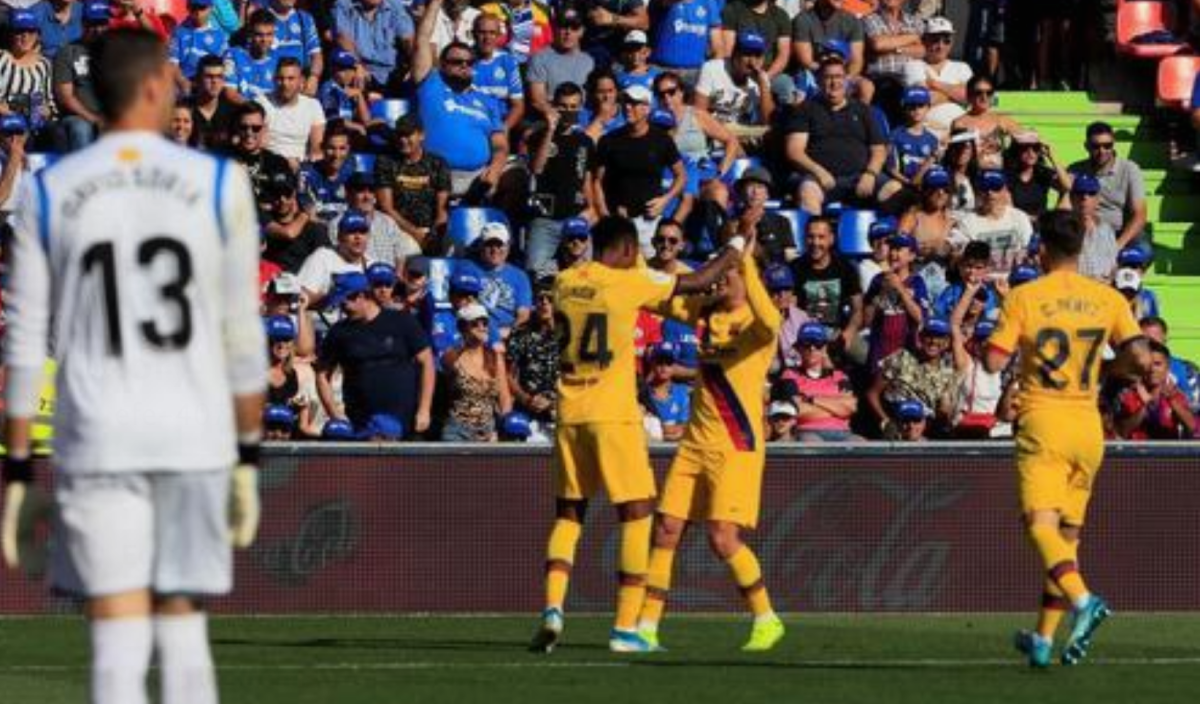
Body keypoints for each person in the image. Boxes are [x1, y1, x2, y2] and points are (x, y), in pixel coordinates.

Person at [1, 28, 266, 704]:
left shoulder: (49, 186)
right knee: (182, 629)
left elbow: (25, 339)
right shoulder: (217, 181)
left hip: (99, 435)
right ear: (153, 87)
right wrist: (248, 459)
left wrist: (20, 468)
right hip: (193, 433)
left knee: (115, 638)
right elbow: (242, 337)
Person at [530, 214, 742, 654]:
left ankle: (552, 609)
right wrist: (738, 244)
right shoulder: (627, 282)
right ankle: (626, 628)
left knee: (569, 515)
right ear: (626, 249)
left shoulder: (564, 281)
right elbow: (699, 277)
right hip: (612, 414)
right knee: (637, 513)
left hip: (568, 412)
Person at [985, 210, 1150, 668]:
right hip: (1088, 427)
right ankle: (1042, 639)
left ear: (1041, 249)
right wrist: (1105, 369)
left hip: (1044, 422)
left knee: (1039, 526)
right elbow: (1139, 357)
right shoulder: (1108, 298)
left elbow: (995, 362)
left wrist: (995, 338)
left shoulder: (1024, 297)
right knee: (1067, 541)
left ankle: (1083, 601)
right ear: (1080, 248)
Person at [636, 241, 785, 652]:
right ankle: (647, 626)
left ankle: (766, 618)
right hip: (694, 442)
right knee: (666, 529)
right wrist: (634, 268)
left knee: (722, 537)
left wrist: (747, 263)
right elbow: (663, 303)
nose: (719, 278)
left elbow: (773, 324)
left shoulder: (756, 323)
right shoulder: (704, 314)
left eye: (728, 273)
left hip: (736, 445)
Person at [316, 271, 436, 435]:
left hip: (406, 421)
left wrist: (424, 409)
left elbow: (427, 361)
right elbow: (322, 374)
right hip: (361, 424)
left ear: (361, 295)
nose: (342, 308)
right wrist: (335, 415)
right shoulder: (338, 332)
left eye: (344, 302)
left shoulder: (402, 321)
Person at [412, 0, 509, 200]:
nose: (464, 65)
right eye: (457, 62)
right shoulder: (431, 85)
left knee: (518, 175)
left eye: (469, 62)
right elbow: (422, 39)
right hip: (435, 175)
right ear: (443, 65)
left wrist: (496, 168)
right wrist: (435, 4)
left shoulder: (487, 101)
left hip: (477, 178)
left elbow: (500, 144)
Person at [786, 55, 891, 215]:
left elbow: (879, 150)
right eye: (828, 77)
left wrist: (870, 174)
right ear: (819, 81)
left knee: (895, 192)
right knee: (808, 193)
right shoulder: (805, 109)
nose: (834, 83)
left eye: (838, 77)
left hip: (860, 177)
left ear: (846, 79)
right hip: (819, 178)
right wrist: (819, 172)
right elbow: (794, 151)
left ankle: (886, 238)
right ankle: (817, 238)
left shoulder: (863, 110)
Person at [593, 84, 686, 255]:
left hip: (649, 222)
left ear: (646, 109)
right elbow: (597, 181)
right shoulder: (608, 141)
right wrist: (605, 215)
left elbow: (681, 175)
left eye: (634, 103)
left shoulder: (662, 140)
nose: (628, 107)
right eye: (625, 102)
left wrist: (665, 200)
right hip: (618, 220)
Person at [526, 81, 596, 272]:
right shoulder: (538, 135)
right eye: (563, 106)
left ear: (580, 108)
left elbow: (586, 177)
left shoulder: (585, 141)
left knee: (585, 271)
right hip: (544, 217)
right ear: (554, 106)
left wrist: (591, 207)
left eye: (573, 107)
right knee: (535, 268)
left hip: (574, 217)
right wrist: (550, 129)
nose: (568, 111)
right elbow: (537, 168)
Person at [374, 114, 451, 253]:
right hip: (398, 229)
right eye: (400, 135)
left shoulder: (438, 163)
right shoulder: (385, 162)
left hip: (430, 230)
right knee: (409, 249)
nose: (403, 140)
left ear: (421, 135)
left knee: (452, 248)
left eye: (408, 135)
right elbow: (387, 208)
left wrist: (434, 236)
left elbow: (442, 210)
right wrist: (415, 233)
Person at [1067, 121, 1149, 252]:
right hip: (1086, 231)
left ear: (1113, 145)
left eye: (1107, 145)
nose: (1102, 151)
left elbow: (1140, 214)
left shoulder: (1129, 169)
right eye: (1096, 146)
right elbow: (1065, 205)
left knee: (1144, 250)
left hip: (1119, 232)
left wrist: (1117, 246)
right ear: (1086, 146)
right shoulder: (1075, 170)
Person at [789, 215, 863, 353]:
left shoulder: (845, 268)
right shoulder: (795, 269)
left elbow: (858, 309)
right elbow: (790, 310)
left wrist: (849, 332)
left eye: (821, 237)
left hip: (836, 332)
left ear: (831, 239)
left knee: (865, 356)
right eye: (811, 237)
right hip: (804, 333)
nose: (815, 243)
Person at [440, 303, 513, 441]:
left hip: (489, 432)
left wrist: (501, 429)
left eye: (485, 323)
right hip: (457, 431)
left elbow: (505, 399)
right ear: (463, 328)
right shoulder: (452, 357)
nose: (482, 327)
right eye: (475, 323)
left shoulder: (495, 357)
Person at [780, 321, 857, 442]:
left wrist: (812, 400)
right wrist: (836, 408)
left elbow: (851, 407)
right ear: (799, 348)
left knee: (863, 446)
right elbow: (796, 410)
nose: (812, 348)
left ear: (824, 348)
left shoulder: (839, 376)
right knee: (814, 447)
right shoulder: (790, 375)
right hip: (807, 432)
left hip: (844, 433)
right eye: (806, 344)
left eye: (817, 344)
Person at [51, 1, 109, 152]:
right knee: (81, 129)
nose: (99, 29)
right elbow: (65, 97)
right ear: (83, 24)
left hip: (109, 115)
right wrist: (94, 119)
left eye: (103, 23)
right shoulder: (68, 52)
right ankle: (82, 174)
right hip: (79, 116)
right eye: (93, 24)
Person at [1111, 340, 1196, 440]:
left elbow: (1192, 427)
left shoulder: (1176, 394)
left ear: (1167, 368)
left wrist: (1172, 401)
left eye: (1157, 364)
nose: (1152, 370)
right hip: (1136, 454)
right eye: (1148, 365)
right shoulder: (1128, 395)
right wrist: (1146, 406)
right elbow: (1122, 432)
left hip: (1167, 453)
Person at [956, 169, 1033, 277]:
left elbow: (1028, 252)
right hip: (980, 283)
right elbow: (963, 261)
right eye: (984, 188)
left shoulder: (1019, 217)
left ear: (1005, 190)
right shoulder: (967, 222)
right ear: (977, 191)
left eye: (995, 187)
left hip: (1015, 281)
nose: (990, 193)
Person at [506, 276, 559, 431]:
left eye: (550, 298)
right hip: (528, 412)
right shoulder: (521, 332)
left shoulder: (571, 334)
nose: (544, 303)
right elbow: (508, 374)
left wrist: (555, 403)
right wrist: (527, 399)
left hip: (564, 412)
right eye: (540, 299)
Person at [905, 16, 970, 139]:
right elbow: (923, 100)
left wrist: (935, 84)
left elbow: (971, 97)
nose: (941, 46)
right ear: (925, 41)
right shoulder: (913, 65)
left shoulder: (963, 67)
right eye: (935, 40)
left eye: (946, 40)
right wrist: (956, 94)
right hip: (928, 134)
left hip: (962, 133)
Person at [332, 0, 415, 95]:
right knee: (349, 74)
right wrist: (357, 65)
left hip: (393, 73)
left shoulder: (394, 5)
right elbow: (343, 38)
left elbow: (409, 40)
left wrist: (414, 64)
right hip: (362, 70)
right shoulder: (343, 5)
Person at [527, 4, 594, 121]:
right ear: (554, 29)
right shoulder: (539, 58)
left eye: (574, 27)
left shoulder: (589, 61)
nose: (568, 32)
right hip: (550, 120)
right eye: (563, 26)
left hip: (583, 121)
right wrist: (563, 120)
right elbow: (538, 100)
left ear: (582, 32)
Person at [695, 31, 774, 129]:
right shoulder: (711, 69)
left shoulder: (762, 80)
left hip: (743, 133)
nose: (752, 62)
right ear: (735, 54)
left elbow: (768, 121)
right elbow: (699, 112)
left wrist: (763, 87)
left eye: (757, 56)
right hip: (713, 130)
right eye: (747, 54)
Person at [0, 9, 56, 143]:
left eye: (31, 31)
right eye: (19, 31)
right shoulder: (1, 58)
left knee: (57, 131)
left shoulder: (44, 64)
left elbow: (48, 101)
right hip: (4, 121)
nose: (25, 36)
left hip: (34, 122)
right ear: (10, 34)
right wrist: (7, 112)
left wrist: (45, 111)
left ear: (37, 35)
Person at [257, 58, 325, 166]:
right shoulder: (262, 103)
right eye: (280, 78)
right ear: (274, 80)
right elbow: (260, 146)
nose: (285, 83)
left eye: (291, 78)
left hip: (301, 166)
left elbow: (316, 148)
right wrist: (283, 163)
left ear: (301, 80)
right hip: (270, 164)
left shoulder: (313, 105)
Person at [951, 75, 1020, 171]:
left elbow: (1024, 139)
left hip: (999, 175)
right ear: (969, 95)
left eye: (989, 93)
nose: (984, 97)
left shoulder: (1001, 120)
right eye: (978, 93)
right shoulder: (960, 123)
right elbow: (957, 155)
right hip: (972, 174)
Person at [471, 12, 526, 133]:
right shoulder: (464, 60)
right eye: (482, 32)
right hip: (470, 124)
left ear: (499, 35)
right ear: (473, 34)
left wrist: (503, 129)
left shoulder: (508, 61)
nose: (487, 38)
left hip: (500, 124)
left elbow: (518, 106)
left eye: (492, 33)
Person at [648, 0, 722, 86]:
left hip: (696, 71)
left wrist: (716, 73)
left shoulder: (709, 2)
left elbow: (717, 44)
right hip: (662, 69)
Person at [1004, 131, 1069, 221]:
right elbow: (1009, 210)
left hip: (1042, 225)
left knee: (1066, 194)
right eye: (1024, 148)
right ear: (1015, 151)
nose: (1031, 152)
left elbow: (1067, 187)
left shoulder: (1042, 172)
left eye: (1035, 148)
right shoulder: (1007, 175)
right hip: (1018, 224)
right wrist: (1035, 219)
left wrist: (1052, 156)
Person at [166, 0, 229, 91]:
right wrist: (183, 82)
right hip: (184, 88)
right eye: (194, 8)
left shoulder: (220, 36)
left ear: (211, 8)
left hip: (210, 88)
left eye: (202, 8)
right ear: (188, 8)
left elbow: (225, 67)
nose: (198, 13)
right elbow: (172, 64)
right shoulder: (178, 32)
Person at [719, 0, 790, 79]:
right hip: (738, 73)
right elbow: (727, 52)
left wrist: (766, 77)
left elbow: (783, 55)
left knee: (786, 85)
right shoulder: (732, 10)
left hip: (769, 74)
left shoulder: (781, 15)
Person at [223, 9, 282, 101]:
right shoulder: (233, 55)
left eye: (269, 34)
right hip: (243, 112)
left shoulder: (280, 59)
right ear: (250, 33)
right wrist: (256, 110)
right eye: (259, 35)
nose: (264, 40)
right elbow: (229, 93)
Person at [1070, 174, 1119, 284]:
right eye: (1080, 193)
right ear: (1072, 198)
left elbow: (1114, 266)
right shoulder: (1064, 230)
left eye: (1091, 193)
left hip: (1103, 290)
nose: (1085, 197)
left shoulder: (1107, 230)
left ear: (1098, 199)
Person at [638, 341, 690, 441]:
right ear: (652, 364)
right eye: (659, 362)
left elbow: (684, 425)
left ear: (675, 366)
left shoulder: (682, 392)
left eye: (669, 363)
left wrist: (664, 430)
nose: (664, 367)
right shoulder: (642, 392)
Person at [190, 54, 238, 151]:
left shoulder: (233, 114)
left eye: (219, 76)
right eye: (209, 76)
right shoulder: (184, 109)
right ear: (198, 79)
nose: (215, 81)